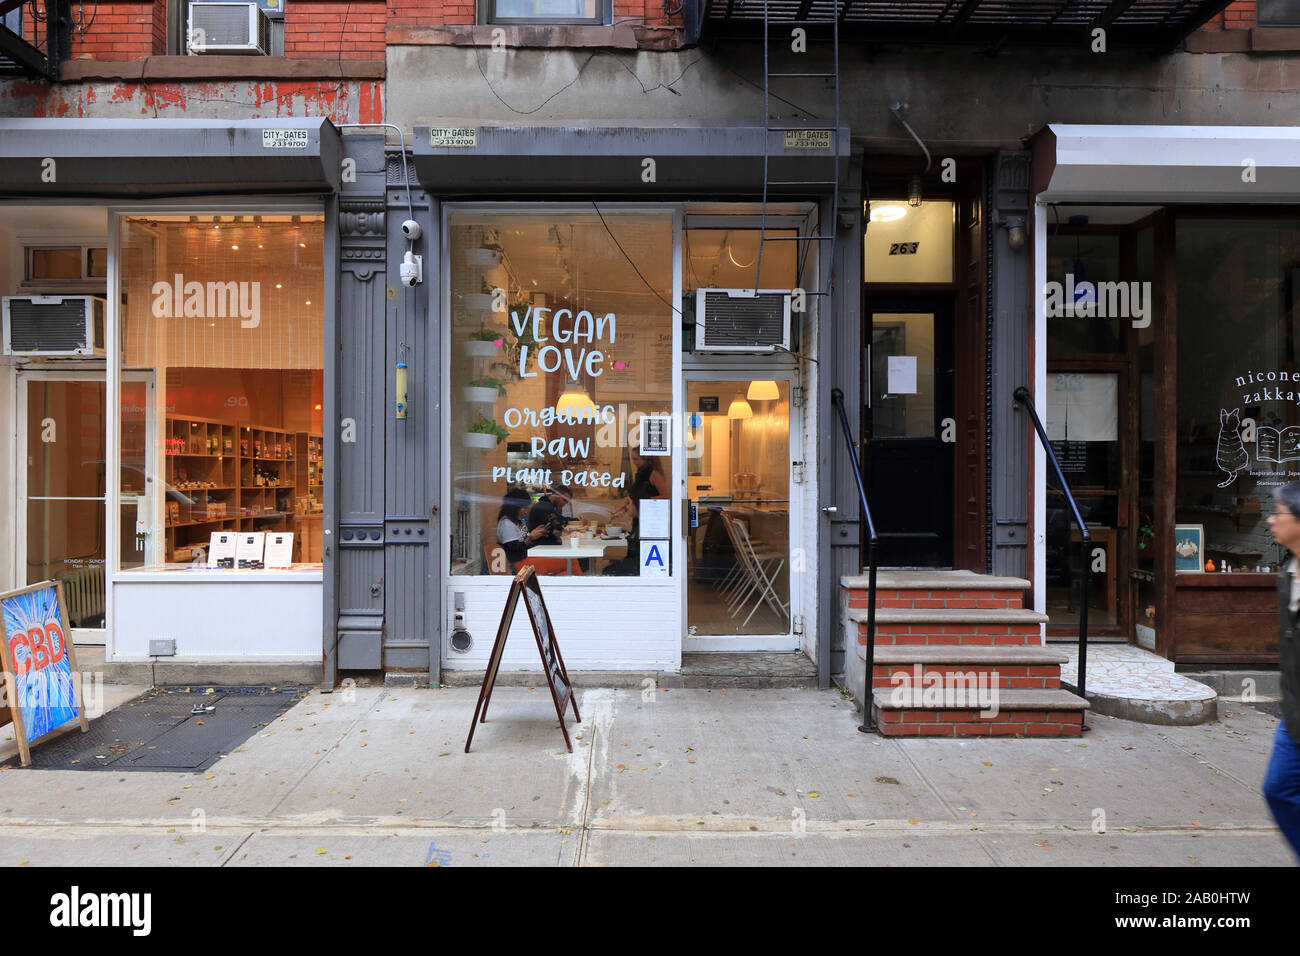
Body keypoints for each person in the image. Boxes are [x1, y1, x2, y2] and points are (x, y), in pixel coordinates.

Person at [1264, 479, 1300, 859]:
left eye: (1280, 514)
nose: (1272, 520)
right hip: (1293, 714)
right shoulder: (1287, 575)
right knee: (1277, 789)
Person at [495, 487, 549, 571]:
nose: (526, 512)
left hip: (526, 560)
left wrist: (536, 533)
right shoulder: (507, 524)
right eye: (524, 508)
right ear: (514, 507)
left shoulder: (519, 521)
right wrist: (530, 537)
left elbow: (525, 539)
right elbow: (513, 553)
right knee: (567, 562)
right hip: (517, 565)